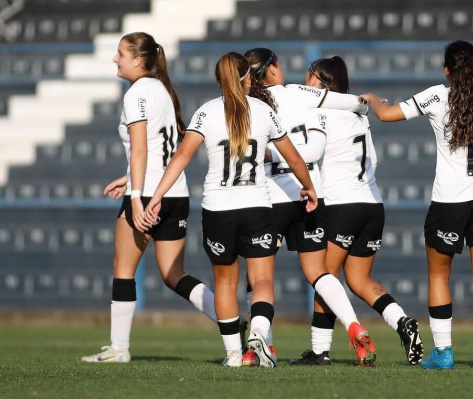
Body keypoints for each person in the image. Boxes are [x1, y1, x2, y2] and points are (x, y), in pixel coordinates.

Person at [360, 40, 473, 370]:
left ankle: (444, 352)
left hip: (449, 202)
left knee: (440, 277)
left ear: (446, 70)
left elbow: (386, 114)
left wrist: (370, 99)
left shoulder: (437, 95)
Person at [144, 52, 317, 368]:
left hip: (218, 209)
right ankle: (259, 336)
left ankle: (235, 355)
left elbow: (181, 157)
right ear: (248, 78)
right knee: (262, 280)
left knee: (225, 283)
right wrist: (309, 187)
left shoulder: (206, 113)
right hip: (255, 206)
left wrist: (157, 195)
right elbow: (292, 158)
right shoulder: (263, 110)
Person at [81, 32, 220, 363]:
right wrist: (128, 177)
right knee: (174, 275)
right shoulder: (161, 89)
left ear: (138, 60)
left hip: (148, 194)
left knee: (123, 268)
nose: (116, 59)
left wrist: (135, 197)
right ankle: (230, 323)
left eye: (121, 54)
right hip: (176, 193)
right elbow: (159, 149)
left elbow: (142, 149)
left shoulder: (136, 93)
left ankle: (119, 348)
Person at [243, 48, 376, 366]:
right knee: (319, 272)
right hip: (309, 195)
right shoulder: (301, 94)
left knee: (258, 278)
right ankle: (354, 326)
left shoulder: (251, 105)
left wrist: (272, 156)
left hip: (270, 197)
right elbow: (356, 104)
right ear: (273, 68)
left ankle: (263, 347)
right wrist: (364, 103)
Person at [298, 56, 423, 366]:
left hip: (342, 205)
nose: (305, 80)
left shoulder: (319, 112)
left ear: (323, 83)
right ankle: (402, 321)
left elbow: (312, 155)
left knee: (324, 276)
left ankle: (319, 351)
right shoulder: (359, 114)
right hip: (372, 204)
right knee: (358, 279)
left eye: (310, 76)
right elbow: (373, 157)